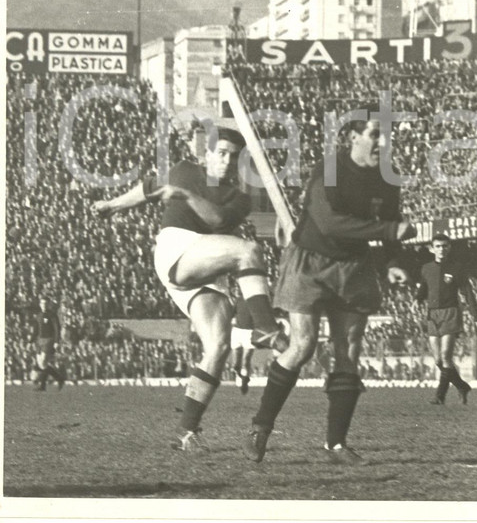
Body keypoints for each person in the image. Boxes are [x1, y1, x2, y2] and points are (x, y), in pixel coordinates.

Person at [93, 124, 287, 451]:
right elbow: (148, 188)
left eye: (233, 157)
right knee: (249, 250)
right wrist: (112, 205)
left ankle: (187, 431)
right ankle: (265, 329)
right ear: (207, 153)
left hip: (207, 263)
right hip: (176, 247)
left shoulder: (239, 198)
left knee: (218, 346)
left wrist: (185, 196)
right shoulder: (184, 169)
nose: (226, 161)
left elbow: (215, 221)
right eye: (221, 153)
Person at [244, 113, 416, 463]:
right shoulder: (330, 169)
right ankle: (260, 427)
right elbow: (328, 222)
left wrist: (394, 262)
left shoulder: (389, 178)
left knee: (349, 351)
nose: (382, 144)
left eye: (387, 137)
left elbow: (393, 224)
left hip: (354, 267)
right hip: (311, 260)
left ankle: (336, 444)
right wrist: (387, 233)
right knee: (302, 345)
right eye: (374, 134)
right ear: (353, 136)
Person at [413, 233, 477, 405]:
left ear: (449, 247)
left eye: (444, 246)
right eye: (438, 246)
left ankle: (440, 396)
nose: (441, 249)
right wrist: (416, 300)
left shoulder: (457, 268)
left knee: (445, 356)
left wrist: (476, 315)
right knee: (437, 360)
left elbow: (467, 292)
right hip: (432, 314)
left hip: (451, 313)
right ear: (431, 248)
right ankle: (462, 386)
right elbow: (423, 288)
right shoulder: (426, 268)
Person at [32, 296, 65, 391]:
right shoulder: (38, 315)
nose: (44, 305)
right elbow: (36, 329)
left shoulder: (52, 315)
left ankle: (44, 385)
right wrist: (31, 341)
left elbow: (57, 329)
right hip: (39, 341)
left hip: (49, 340)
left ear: (48, 304)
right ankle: (58, 379)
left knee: (43, 362)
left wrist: (56, 341)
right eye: (42, 303)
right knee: (42, 364)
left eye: (46, 303)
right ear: (40, 304)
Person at [231, 297, 255, 394]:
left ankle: (244, 381)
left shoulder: (255, 301)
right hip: (237, 331)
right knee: (235, 365)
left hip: (249, 332)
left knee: (246, 360)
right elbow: (232, 314)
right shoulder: (239, 300)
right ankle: (241, 375)